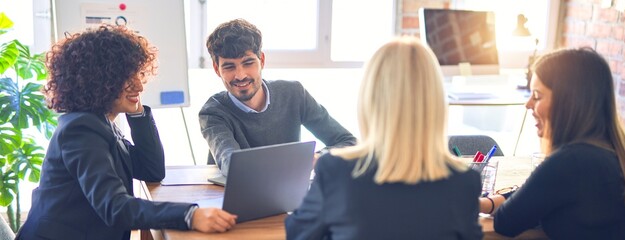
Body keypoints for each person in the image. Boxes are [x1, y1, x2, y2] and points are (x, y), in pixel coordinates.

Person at [16, 25, 237, 240]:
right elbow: (115, 207)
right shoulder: (81, 129)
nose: (139, 86)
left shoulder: (100, 122)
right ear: (99, 81)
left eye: (138, 74)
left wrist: (137, 113)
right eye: (126, 77)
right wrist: (189, 215)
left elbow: (152, 170)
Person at [285, 36, 483, 240]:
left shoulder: (336, 172)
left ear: (370, 99)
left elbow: (298, 233)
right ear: (435, 101)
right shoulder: (465, 182)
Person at [479, 48, 625, 239]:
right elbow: (544, 197)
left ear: (567, 102)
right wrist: (488, 203)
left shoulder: (570, 161)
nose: (528, 104)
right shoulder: (620, 154)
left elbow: (506, 222)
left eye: (537, 96)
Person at [199, 19, 356, 181]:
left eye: (248, 63)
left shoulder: (294, 94)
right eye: (229, 67)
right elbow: (231, 164)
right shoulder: (213, 112)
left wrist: (318, 157)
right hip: (233, 200)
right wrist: (295, 161)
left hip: (287, 196)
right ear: (217, 69)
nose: (240, 75)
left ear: (262, 60)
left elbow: (348, 142)